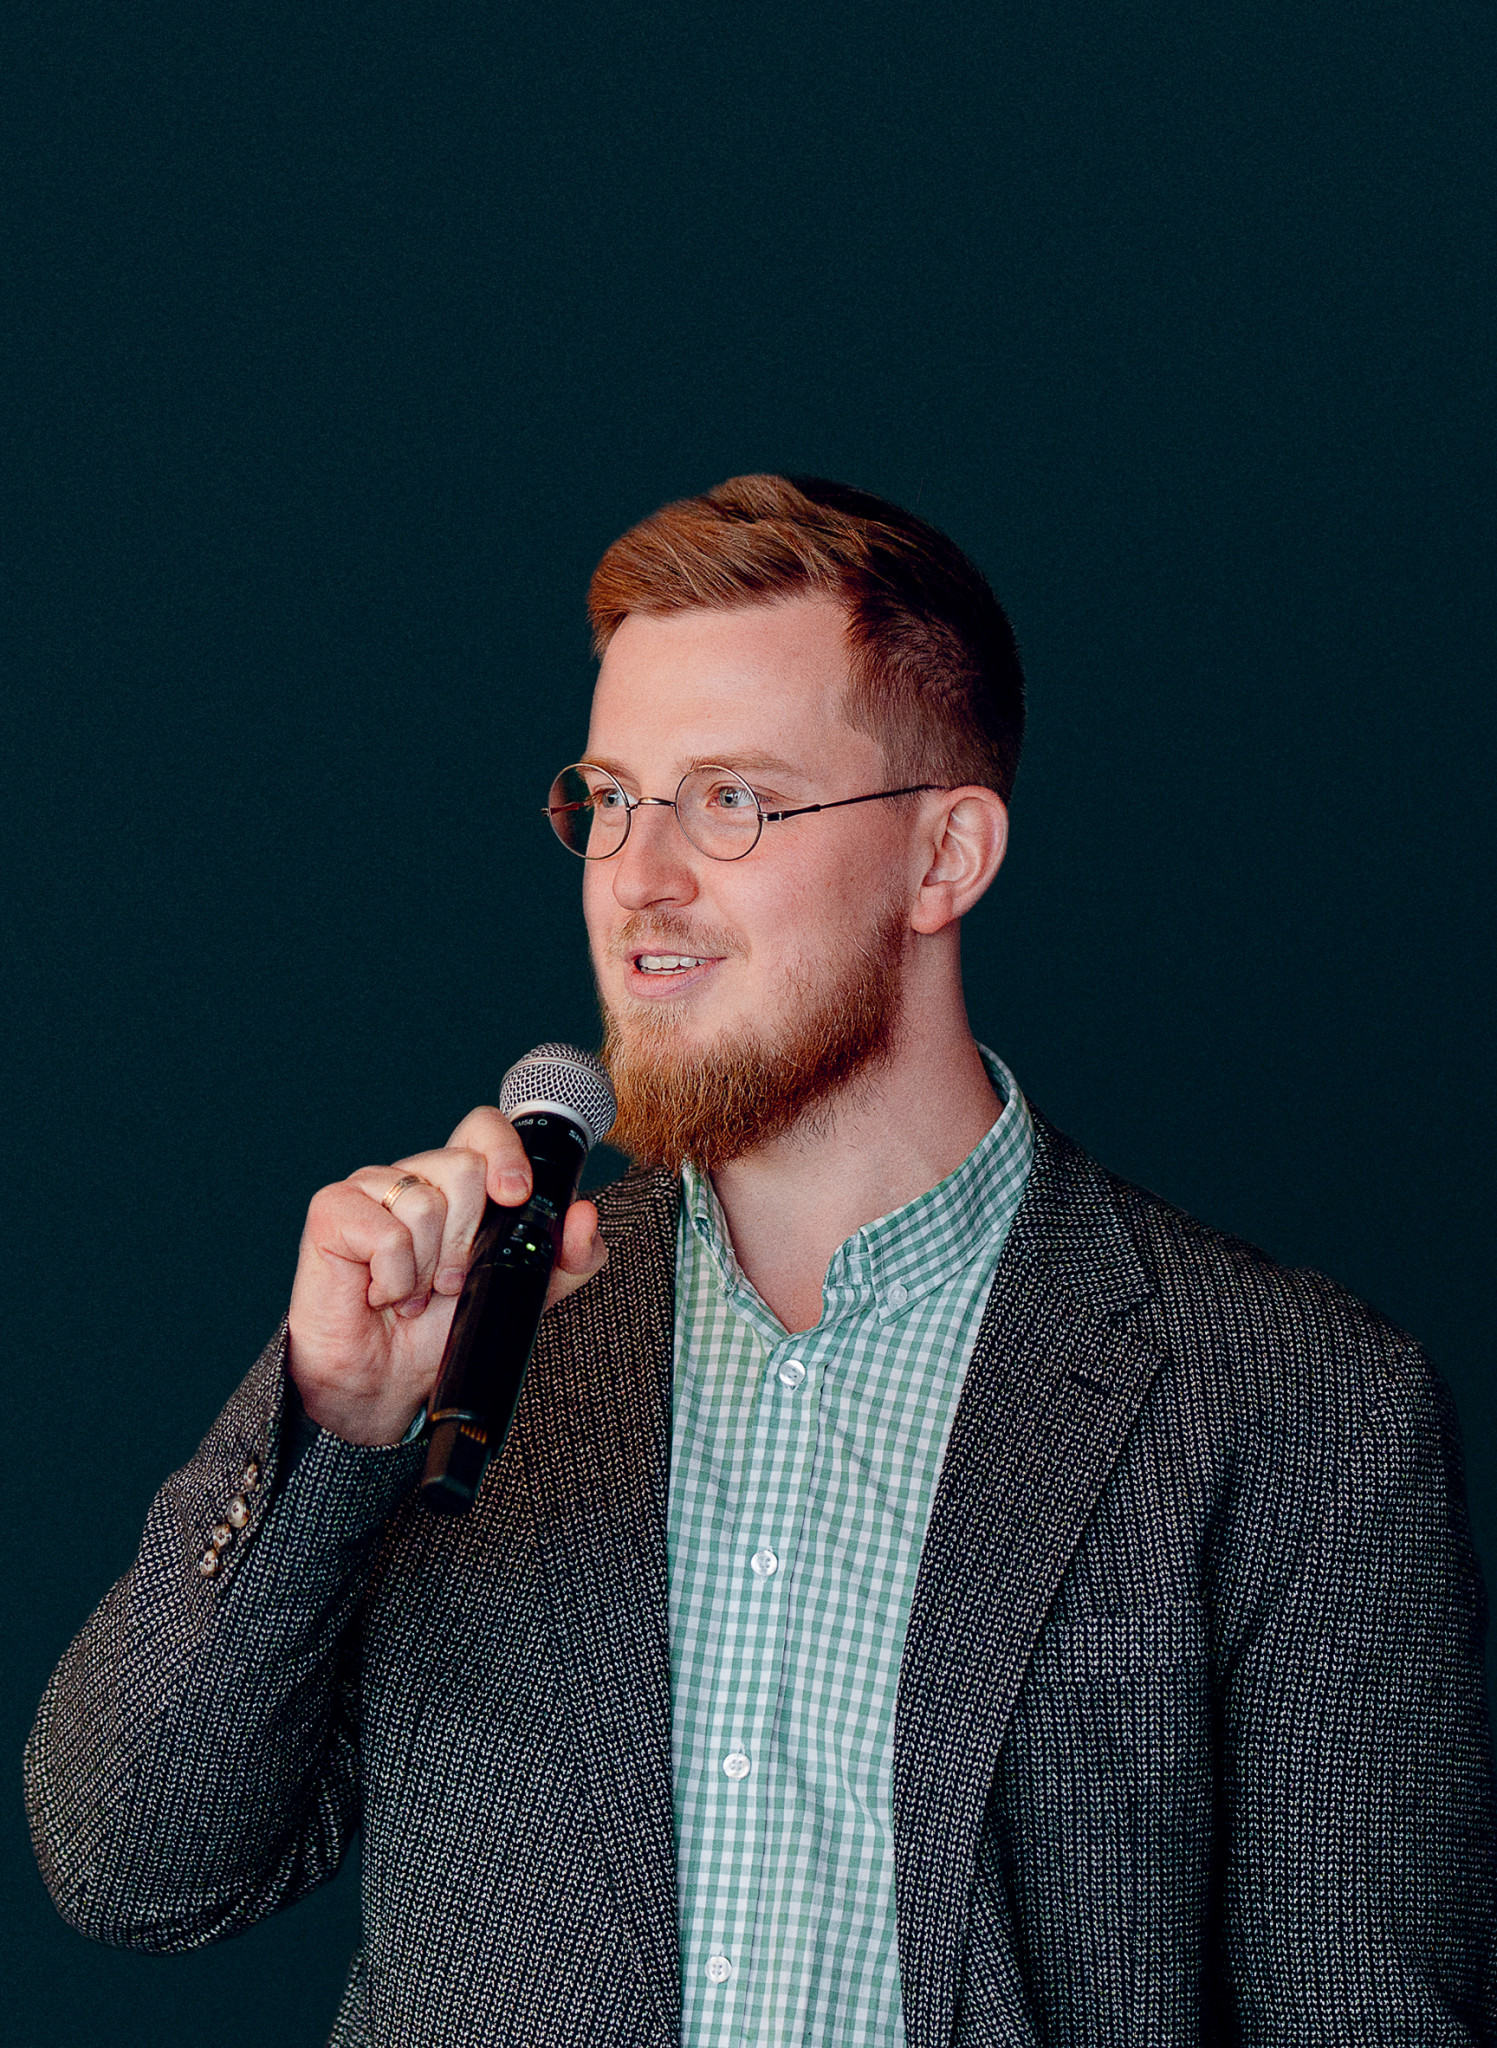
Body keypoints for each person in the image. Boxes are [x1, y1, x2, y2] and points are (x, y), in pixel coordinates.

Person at [25, 474, 1497, 2046]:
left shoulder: (1297, 1407)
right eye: (609, 798)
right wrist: (333, 1426)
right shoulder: (476, 1336)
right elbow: (134, 1871)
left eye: (728, 799)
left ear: (944, 856)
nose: (637, 876)